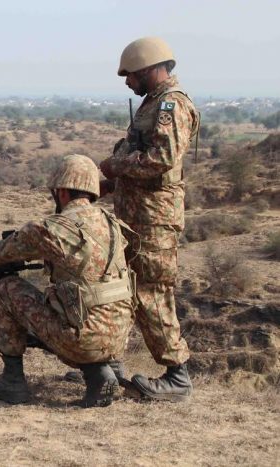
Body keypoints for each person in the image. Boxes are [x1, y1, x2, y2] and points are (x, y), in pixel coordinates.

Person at [0, 155, 135, 407]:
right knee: (82, 304)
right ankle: (100, 375)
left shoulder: (54, 228)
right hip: (118, 339)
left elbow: (5, 251)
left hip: (82, 340)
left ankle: (12, 382)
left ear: (62, 192)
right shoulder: (114, 225)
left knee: (8, 287)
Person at [99, 37, 200, 401]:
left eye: (130, 75)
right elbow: (138, 156)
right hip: (135, 217)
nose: (127, 82)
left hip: (154, 220)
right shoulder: (151, 105)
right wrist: (108, 182)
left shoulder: (172, 105)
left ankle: (178, 376)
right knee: (123, 288)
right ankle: (109, 364)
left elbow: (161, 159)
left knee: (151, 291)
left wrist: (115, 166)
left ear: (147, 68)